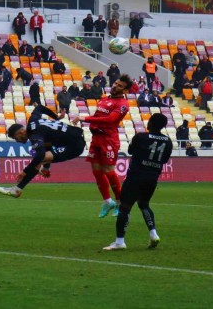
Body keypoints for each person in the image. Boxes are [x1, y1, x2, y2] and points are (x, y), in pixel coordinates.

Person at [102, 113, 172, 251]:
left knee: (124, 207)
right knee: (144, 204)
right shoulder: (168, 141)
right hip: (153, 177)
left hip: (136, 176)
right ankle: (153, 233)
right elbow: (164, 160)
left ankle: (120, 241)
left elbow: (130, 150)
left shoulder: (141, 137)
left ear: (150, 123)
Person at [72, 76, 133, 217]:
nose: (115, 85)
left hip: (109, 139)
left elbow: (110, 120)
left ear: (125, 90)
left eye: (119, 85)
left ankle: (120, 202)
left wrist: (84, 118)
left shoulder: (123, 104)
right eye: (115, 83)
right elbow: (98, 116)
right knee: (96, 171)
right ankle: (107, 201)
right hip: (96, 138)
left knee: (108, 170)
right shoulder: (104, 99)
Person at [0, 105, 83, 198]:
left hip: (75, 145)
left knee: (39, 159)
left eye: (15, 138)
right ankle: (19, 188)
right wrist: (56, 117)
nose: (17, 141)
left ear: (21, 132)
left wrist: (25, 171)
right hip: (75, 139)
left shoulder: (34, 135)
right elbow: (40, 108)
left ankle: (17, 189)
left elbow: (41, 155)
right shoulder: (33, 120)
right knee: (41, 157)